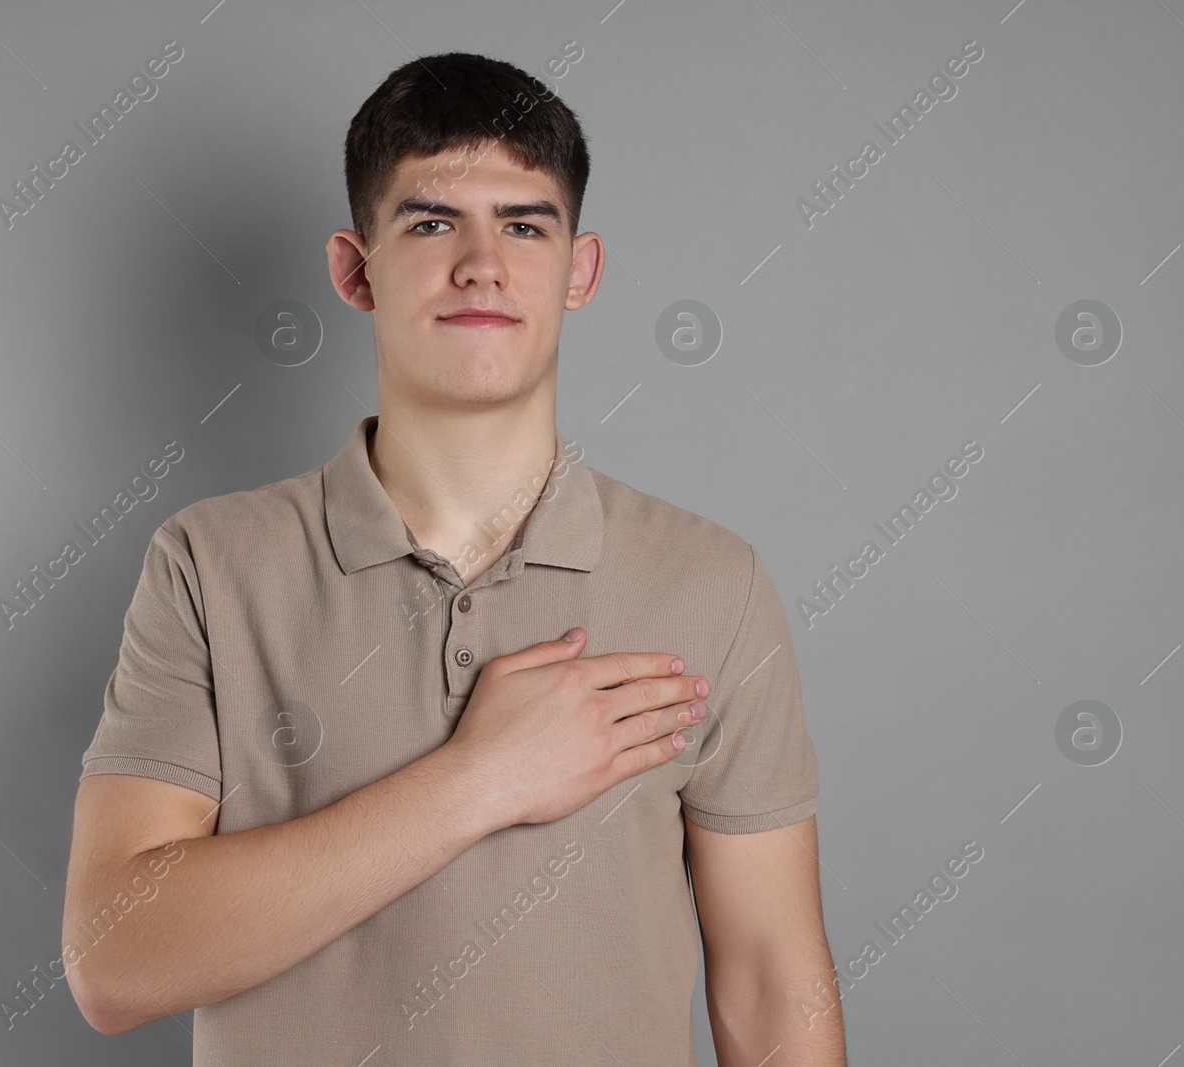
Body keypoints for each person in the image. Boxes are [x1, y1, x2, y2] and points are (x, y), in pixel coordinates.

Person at [63, 51, 846, 1065]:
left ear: (580, 270)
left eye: (524, 225)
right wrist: (480, 779)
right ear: (355, 268)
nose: (483, 261)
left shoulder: (711, 581)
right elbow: (112, 961)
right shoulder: (211, 565)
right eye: (432, 223)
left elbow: (772, 978)